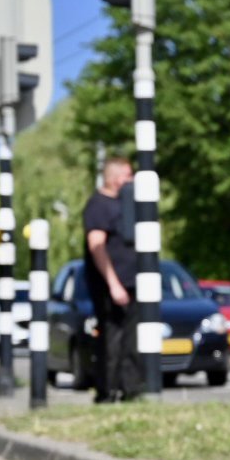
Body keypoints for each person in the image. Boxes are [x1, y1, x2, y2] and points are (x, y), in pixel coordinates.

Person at [83, 157, 140, 403]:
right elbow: (96, 245)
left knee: (133, 339)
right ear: (115, 178)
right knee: (112, 339)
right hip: (112, 286)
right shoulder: (98, 205)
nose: (132, 180)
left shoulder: (127, 204)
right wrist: (114, 284)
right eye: (128, 175)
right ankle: (107, 392)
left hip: (133, 282)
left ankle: (131, 390)